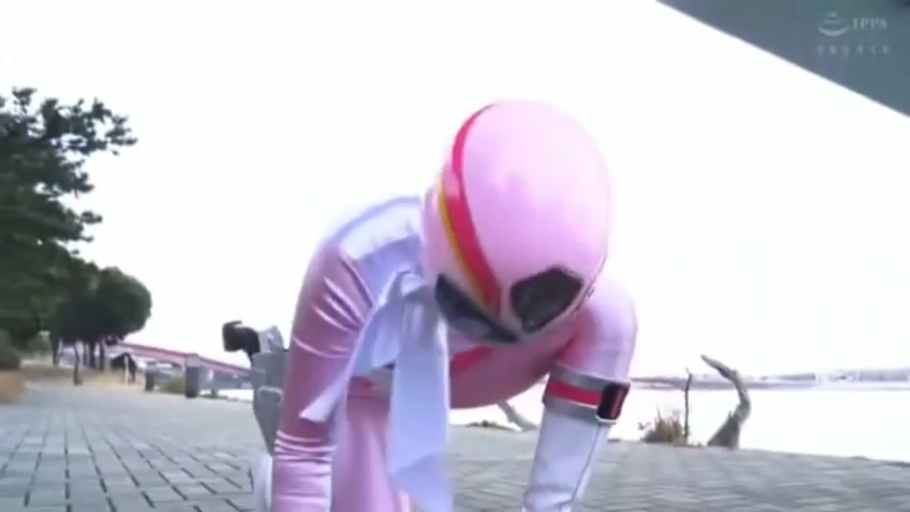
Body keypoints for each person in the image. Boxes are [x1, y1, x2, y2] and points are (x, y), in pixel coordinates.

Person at [259, 100, 638, 512]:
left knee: (612, 317)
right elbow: (304, 448)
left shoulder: (593, 314)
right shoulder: (359, 255)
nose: (481, 328)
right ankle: (271, 479)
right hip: (377, 385)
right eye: (465, 310)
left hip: (481, 372)